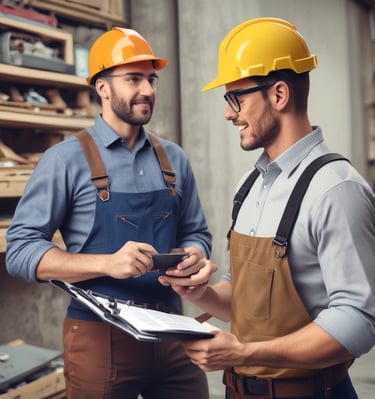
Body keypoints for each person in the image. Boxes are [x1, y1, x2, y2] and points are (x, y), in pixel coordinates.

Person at [159, 17, 375, 399]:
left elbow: (357, 323)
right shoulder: (251, 185)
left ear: (278, 95)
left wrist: (243, 351)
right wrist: (200, 292)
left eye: (235, 98)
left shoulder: (336, 190)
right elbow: (242, 297)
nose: (228, 113)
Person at [6, 27, 212, 399]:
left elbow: (197, 232)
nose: (147, 90)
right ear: (102, 87)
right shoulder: (64, 160)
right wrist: (107, 264)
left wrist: (196, 254)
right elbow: (20, 251)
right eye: (134, 79)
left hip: (173, 333)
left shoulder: (174, 158)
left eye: (151, 79)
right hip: (100, 338)